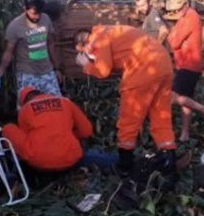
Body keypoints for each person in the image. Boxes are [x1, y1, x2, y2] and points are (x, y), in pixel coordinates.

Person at [74, 24, 178, 181]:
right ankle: (169, 161)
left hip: (143, 70)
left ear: (82, 44)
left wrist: (86, 66)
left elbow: (103, 70)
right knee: (161, 116)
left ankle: (125, 166)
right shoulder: (111, 30)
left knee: (129, 121)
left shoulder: (97, 39)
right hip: (164, 65)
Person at [2, 85, 117, 172]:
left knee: (8, 128)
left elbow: (27, 137)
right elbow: (86, 131)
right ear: (41, 93)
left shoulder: (25, 109)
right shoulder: (65, 102)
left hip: (38, 160)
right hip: (71, 156)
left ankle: (14, 170)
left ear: (23, 101)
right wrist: (67, 135)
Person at [0, 0, 62, 107]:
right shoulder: (15, 26)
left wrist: (57, 68)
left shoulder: (46, 19)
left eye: (39, 13)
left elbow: (50, 43)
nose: (37, 17)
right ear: (25, 9)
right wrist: (2, 68)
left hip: (46, 71)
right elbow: (8, 51)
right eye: (34, 13)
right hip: (27, 73)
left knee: (56, 105)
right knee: (28, 108)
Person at [165, 0, 204, 142]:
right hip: (185, 63)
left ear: (186, 4)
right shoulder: (183, 17)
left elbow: (173, 42)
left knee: (172, 97)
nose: (175, 12)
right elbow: (172, 38)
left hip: (189, 64)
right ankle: (185, 134)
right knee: (185, 100)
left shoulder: (190, 17)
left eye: (178, 9)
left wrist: (176, 38)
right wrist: (175, 37)